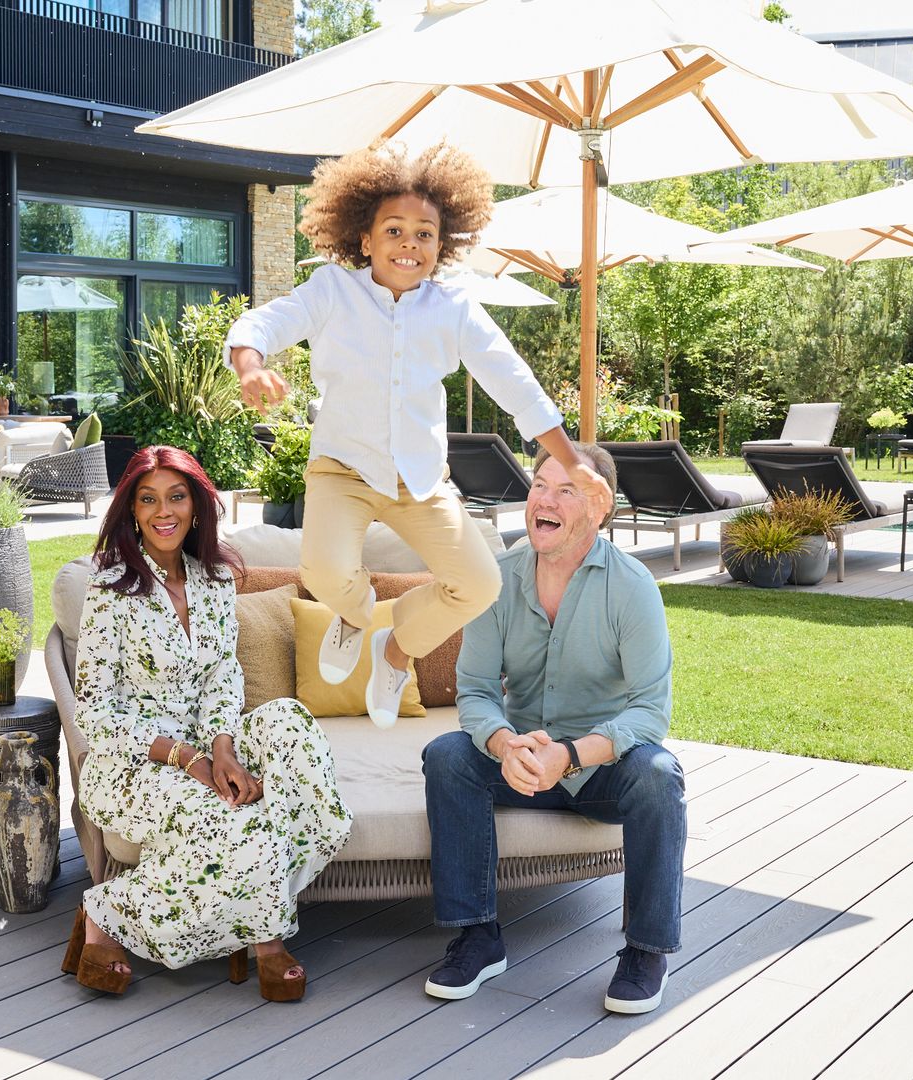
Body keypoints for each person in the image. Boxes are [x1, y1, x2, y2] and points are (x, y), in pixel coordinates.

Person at [224, 143, 614, 728]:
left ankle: (395, 649)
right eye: (395, 230)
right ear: (365, 239)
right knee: (325, 573)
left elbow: (515, 382)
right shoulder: (333, 291)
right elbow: (266, 323)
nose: (410, 243)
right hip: (342, 471)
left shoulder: (454, 305)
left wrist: (572, 462)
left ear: (443, 244)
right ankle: (356, 615)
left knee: (479, 585)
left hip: (421, 480)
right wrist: (251, 364)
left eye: (425, 233)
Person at [65, 445, 352, 1002]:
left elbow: (224, 676)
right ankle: (112, 915)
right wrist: (187, 758)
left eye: (176, 496)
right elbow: (94, 712)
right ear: (131, 511)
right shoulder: (109, 587)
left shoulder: (215, 580)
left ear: (197, 505)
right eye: (148, 500)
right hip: (132, 764)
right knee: (233, 817)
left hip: (205, 741)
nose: (162, 511)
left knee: (291, 727)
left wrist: (222, 749)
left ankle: (244, 921)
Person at [420, 444, 685, 1015]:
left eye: (566, 490)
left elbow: (649, 712)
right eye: (540, 484)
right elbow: (476, 691)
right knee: (447, 756)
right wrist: (503, 743)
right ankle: (477, 937)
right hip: (520, 762)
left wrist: (569, 755)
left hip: (600, 770)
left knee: (659, 775)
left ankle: (645, 952)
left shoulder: (632, 586)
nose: (544, 499)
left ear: (599, 506)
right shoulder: (499, 580)